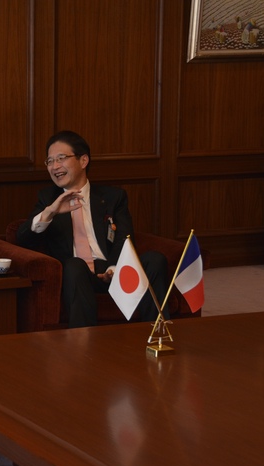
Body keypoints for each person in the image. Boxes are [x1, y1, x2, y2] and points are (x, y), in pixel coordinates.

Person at [16, 130, 168, 328]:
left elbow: (124, 237)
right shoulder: (48, 198)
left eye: (61, 158)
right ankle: (83, 344)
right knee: (74, 265)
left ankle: (156, 333)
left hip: (114, 271)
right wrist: (51, 212)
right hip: (78, 276)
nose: (54, 167)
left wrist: (114, 269)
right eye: (50, 161)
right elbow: (22, 238)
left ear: (83, 160)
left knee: (155, 260)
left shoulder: (113, 197)